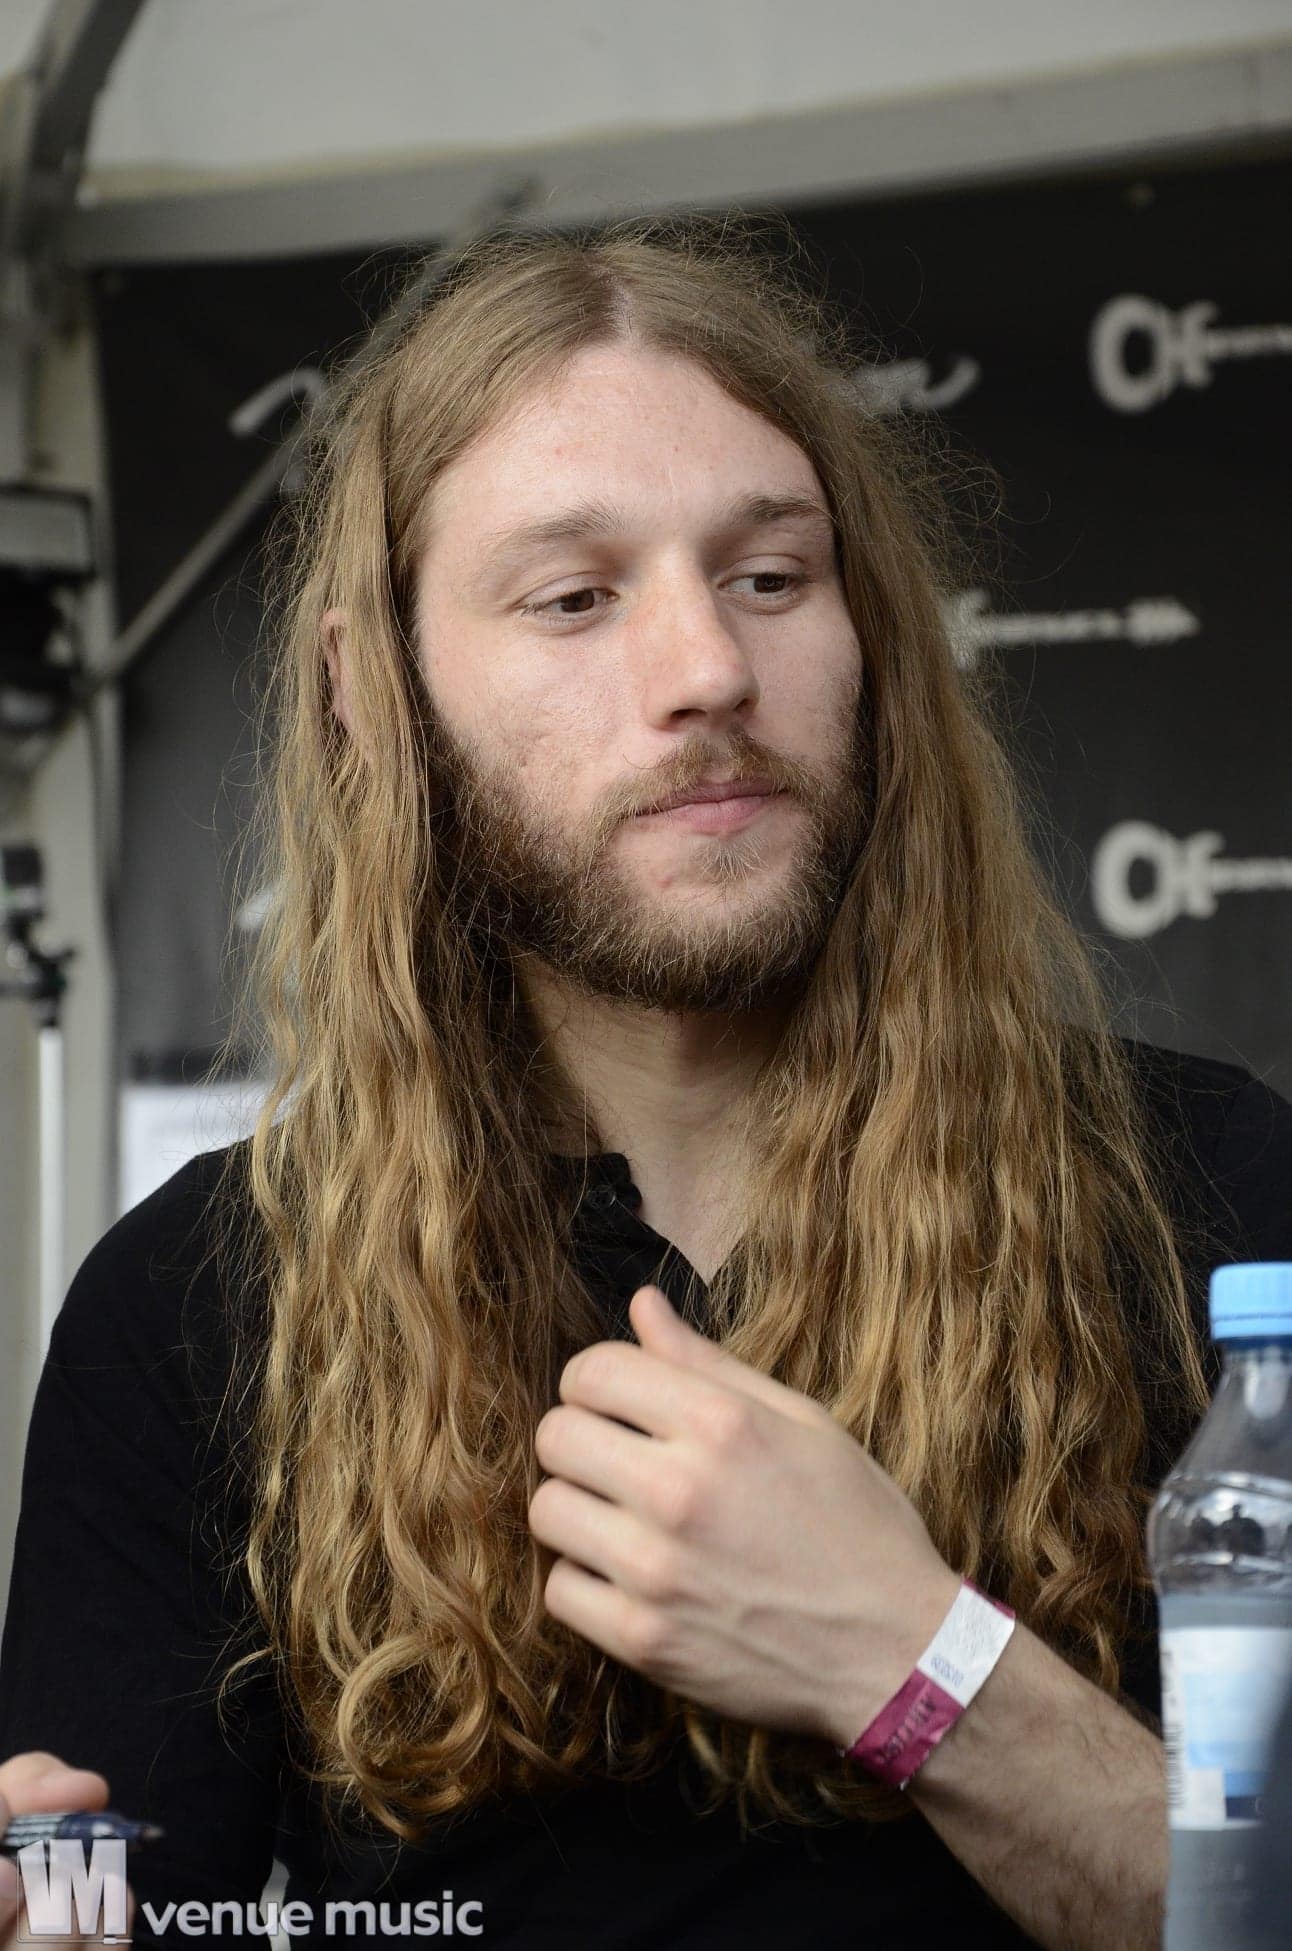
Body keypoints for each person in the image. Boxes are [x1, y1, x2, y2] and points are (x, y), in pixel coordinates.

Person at [1, 215, 1290, 1951]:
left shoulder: (1216, 1194)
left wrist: (913, 1659)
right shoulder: (192, 1309)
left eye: (770, 576)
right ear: (370, 692)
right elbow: (119, 1901)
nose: (708, 673)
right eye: (574, 597)